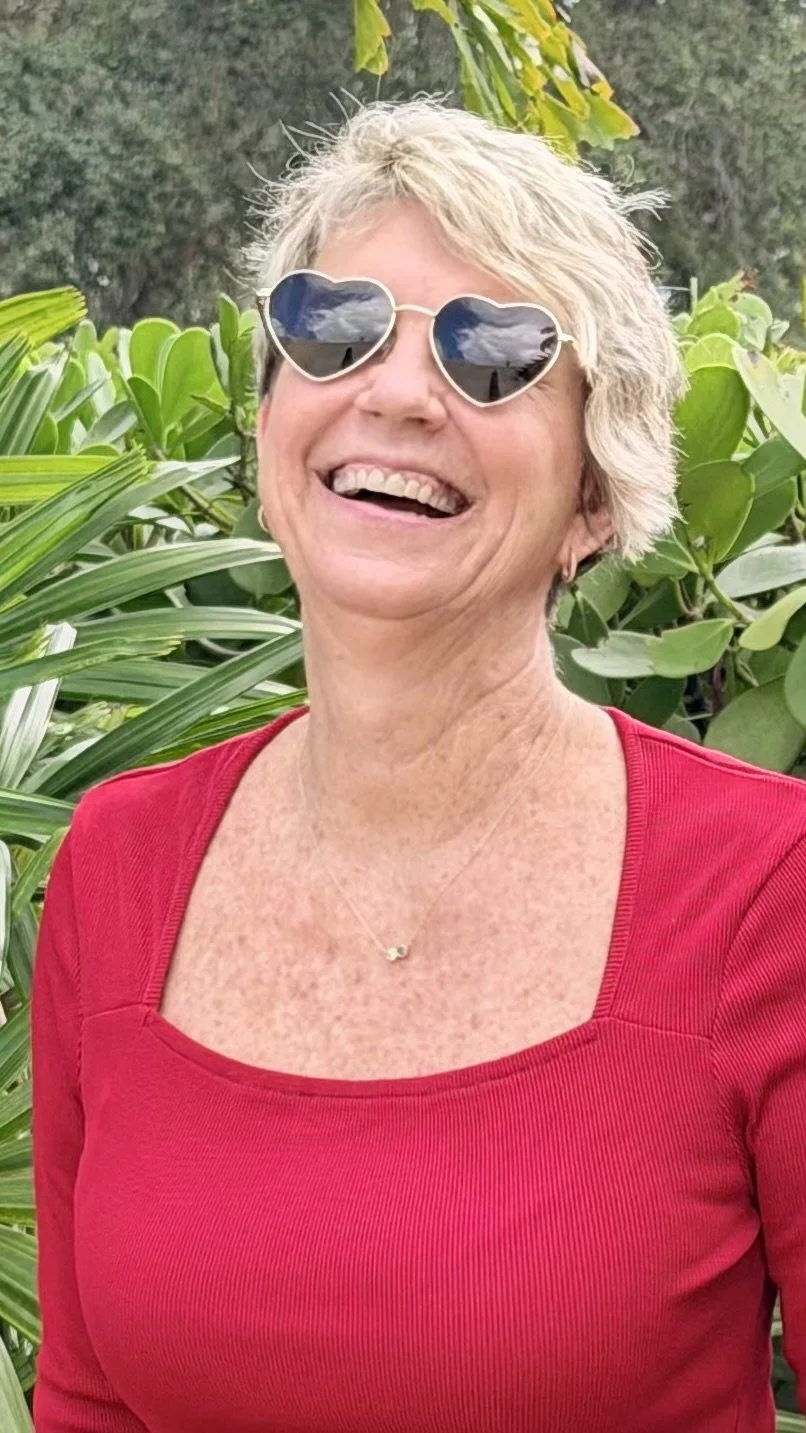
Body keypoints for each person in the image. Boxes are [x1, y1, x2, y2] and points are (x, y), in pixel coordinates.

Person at [31, 97, 805, 1432]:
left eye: (493, 353)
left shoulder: (764, 892)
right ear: (269, 426)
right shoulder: (120, 862)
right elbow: (89, 1400)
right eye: (333, 328)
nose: (393, 392)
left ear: (592, 495)